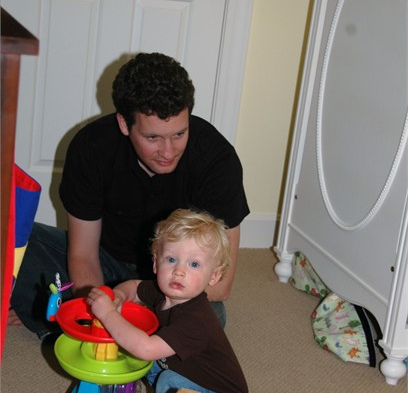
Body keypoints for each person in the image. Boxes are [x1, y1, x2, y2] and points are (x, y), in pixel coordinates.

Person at [9, 52, 250, 337]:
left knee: (210, 315)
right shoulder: (91, 148)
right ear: (124, 124)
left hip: (176, 278)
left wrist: (134, 296)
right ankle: (93, 323)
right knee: (9, 236)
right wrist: (103, 308)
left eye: (179, 134)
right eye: (153, 138)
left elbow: (221, 285)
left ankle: (56, 314)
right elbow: (83, 255)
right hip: (105, 259)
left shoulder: (217, 160)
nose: (168, 151)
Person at [87, 208, 249, 393]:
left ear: (214, 276)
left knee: (163, 375)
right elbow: (134, 287)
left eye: (194, 264)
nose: (179, 271)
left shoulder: (196, 320)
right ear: (155, 263)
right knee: (147, 361)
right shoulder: (164, 294)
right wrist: (118, 297)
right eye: (171, 259)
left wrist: (107, 313)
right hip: (193, 377)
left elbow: (146, 348)